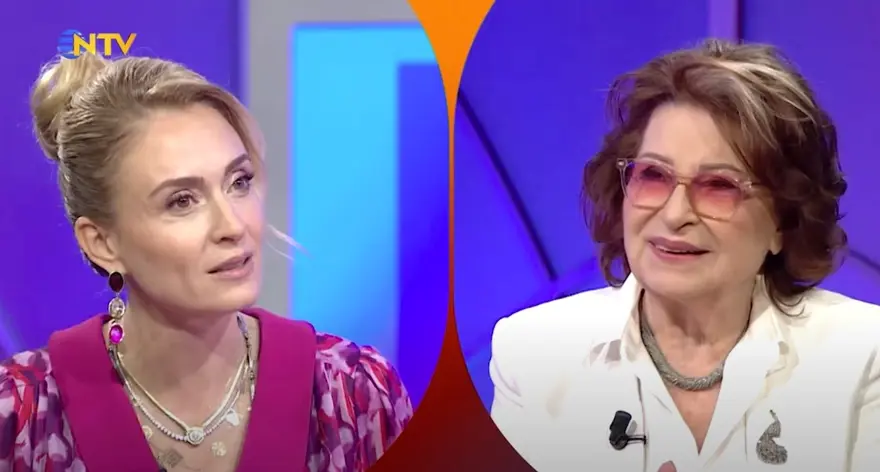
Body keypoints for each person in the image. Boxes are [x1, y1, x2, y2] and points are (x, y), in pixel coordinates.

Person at [0, 52, 413, 472]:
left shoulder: (354, 397)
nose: (233, 225)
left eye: (239, 182)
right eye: (182, 201)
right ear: (103, 243)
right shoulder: (20, 418)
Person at [488, 39, 880, 472]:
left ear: (783, 222)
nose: (675, 214)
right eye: (653, 175)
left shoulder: (863, 355)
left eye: (719, 186)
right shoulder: (535, 354)